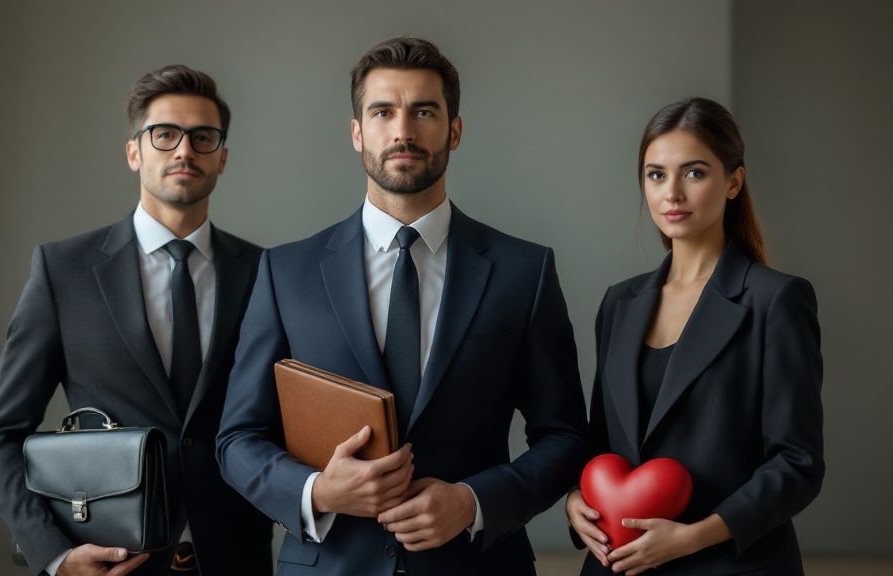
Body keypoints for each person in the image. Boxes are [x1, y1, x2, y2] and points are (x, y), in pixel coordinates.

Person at [216, 37, 588, 576]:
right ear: (356, 131)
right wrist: (316, 491)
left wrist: (473, 503)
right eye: (383, 111)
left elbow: (564, 435)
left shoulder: (523, 272)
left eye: (424, 111)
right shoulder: (285, 272)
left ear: (454, 130)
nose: (403, 131)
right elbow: (237, 439)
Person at [0, 65, 272, 576]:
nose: (184, 151)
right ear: (134, 151)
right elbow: (2, 436)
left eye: (203, 137)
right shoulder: (63, 271)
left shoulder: (265, 272)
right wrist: (53, 554)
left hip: (236, 559)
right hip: (112, 563)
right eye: (165, 135)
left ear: (222, 157)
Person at [566, 97, 824, 575]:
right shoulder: (618, 304)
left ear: (734, 181)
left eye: (695, 173)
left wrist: (692, 537)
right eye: (656, 174)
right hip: (617, 563)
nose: (673, 194)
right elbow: (603, 444)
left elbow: (798, 463)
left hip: (730, 563)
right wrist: (574, 501)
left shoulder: (777, 300)